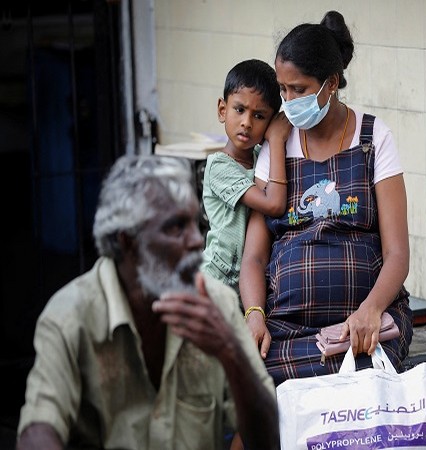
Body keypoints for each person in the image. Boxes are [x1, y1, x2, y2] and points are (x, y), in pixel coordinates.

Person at [16, 155, 279, 450]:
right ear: (127, 241)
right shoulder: (69, 316)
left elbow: (268, 438)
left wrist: (231, 354)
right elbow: (37, 432)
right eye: (176, 228)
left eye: (194, 224)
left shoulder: (217, 305)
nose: (196, 240)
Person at [239, 10, 413, 387]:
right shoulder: (276, 145)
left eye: (298, 89)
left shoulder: (373, 138)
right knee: (251, 388)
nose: (286, 101)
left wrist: (371, 309)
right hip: (286, 331)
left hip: (363, 325)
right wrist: (254, 315)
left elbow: (398, 253)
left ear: (330, 83)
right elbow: (254, 255)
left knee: (363, 383)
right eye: (282, 89)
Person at [201, 59, 291, 296]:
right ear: (222, 110)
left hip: (249, 286)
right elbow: (274, 204)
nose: (247, 123)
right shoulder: (219, 166)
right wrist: (276, 140)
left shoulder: (261, 157)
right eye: (239, 110)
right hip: (216, 282)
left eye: (259, 116)